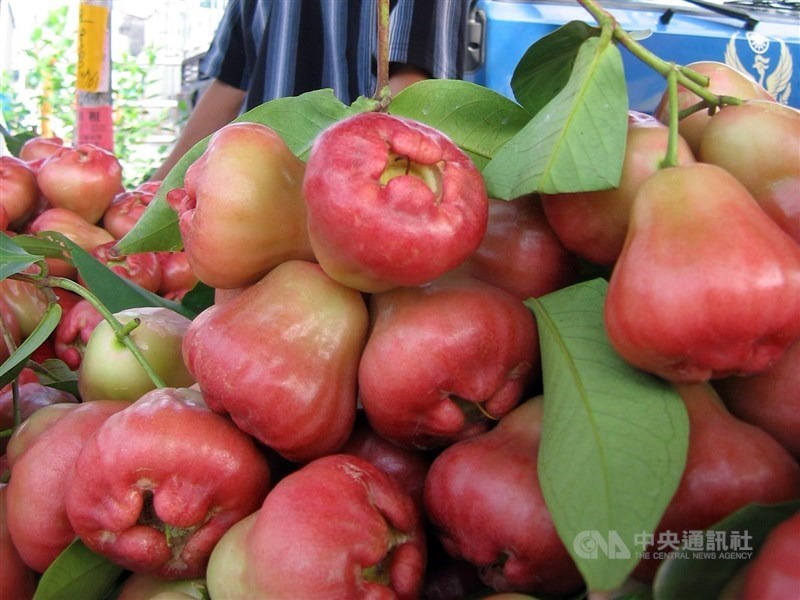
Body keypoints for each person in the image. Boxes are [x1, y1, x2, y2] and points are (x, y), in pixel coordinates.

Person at [150, 0, 469, 181]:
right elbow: (230, 84)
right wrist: (155, 191)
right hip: (255, 198)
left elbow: (410, 92)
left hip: (350, 199)